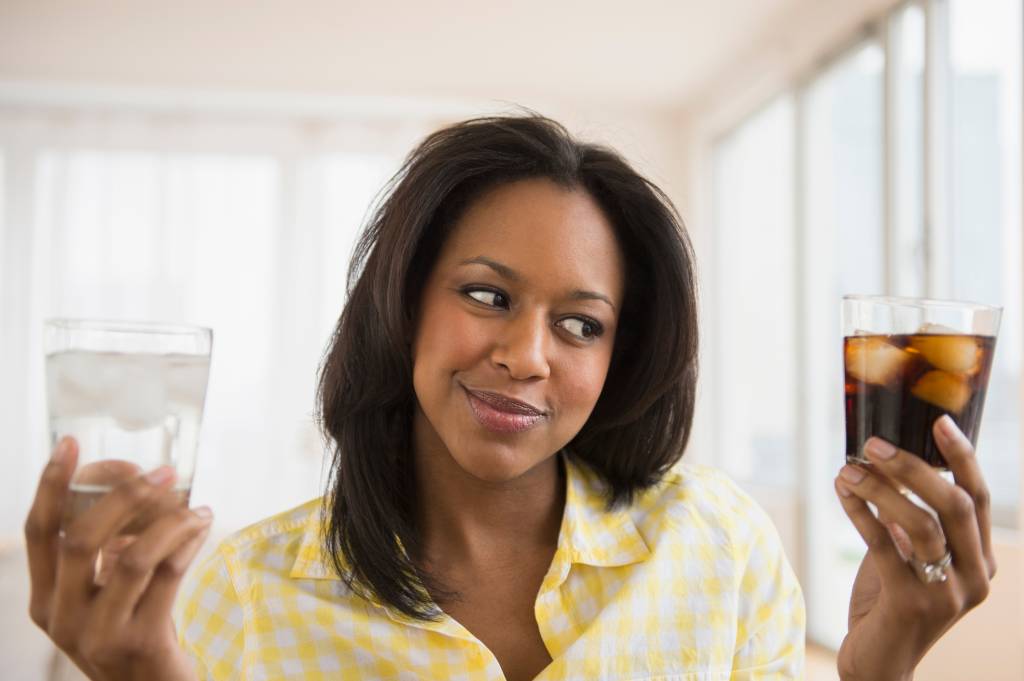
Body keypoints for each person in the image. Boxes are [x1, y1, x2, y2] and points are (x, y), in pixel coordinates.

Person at [24, 114, 996, 681]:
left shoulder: (716, 543)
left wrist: (879, 667)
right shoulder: (244, 598)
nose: (526, 356)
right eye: (486, 295)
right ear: (402, 307)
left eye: (580, 324)